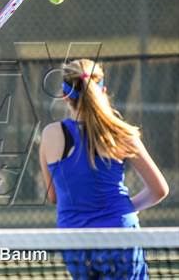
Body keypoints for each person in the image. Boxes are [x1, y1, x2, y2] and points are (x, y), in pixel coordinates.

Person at [39, 59, 169, 279]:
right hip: (121, 235)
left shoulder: (50, 135)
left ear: (65, 95)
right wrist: (125, 209)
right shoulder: (122, 134)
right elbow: (159, 190)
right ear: (103, 91)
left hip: (75, 241)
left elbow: (54, 196)